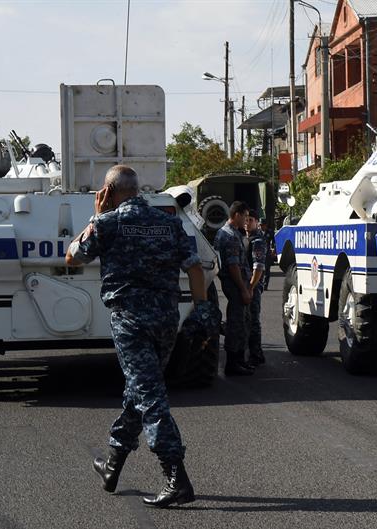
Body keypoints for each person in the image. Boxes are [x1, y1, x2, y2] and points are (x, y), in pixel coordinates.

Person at [65, 165, 211, 509]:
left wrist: (96, 217)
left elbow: (72, 257)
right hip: (165, 320)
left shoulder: (108, 223)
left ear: (108, 192)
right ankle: (112, 465)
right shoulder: (168, 222)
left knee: (150, 396)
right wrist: (202, 310)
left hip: (130, 321)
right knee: (140, 390)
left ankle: (176, 477)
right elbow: (194, 267)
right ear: (138, 189)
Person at [213, 201, 255, 376]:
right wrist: (244, 289)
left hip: (236, 284)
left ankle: (239, 360)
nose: (246, 220)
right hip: (236, 284)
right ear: (236, 215)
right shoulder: (229, 236)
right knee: (236, 324)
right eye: (244, 216)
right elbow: (233, 266)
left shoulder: (226, 232)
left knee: (241, 322)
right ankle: (233, 363)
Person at [245, 212, 267, 365]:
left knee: (253, 321)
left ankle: (256, 353)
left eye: (250, 220)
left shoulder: (257, 240)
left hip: (252, 286)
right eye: (245, 220)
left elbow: (258, 267)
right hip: (245, 285)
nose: (247, 223)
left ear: (257, 222)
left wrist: (251, 287)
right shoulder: (244, 238)